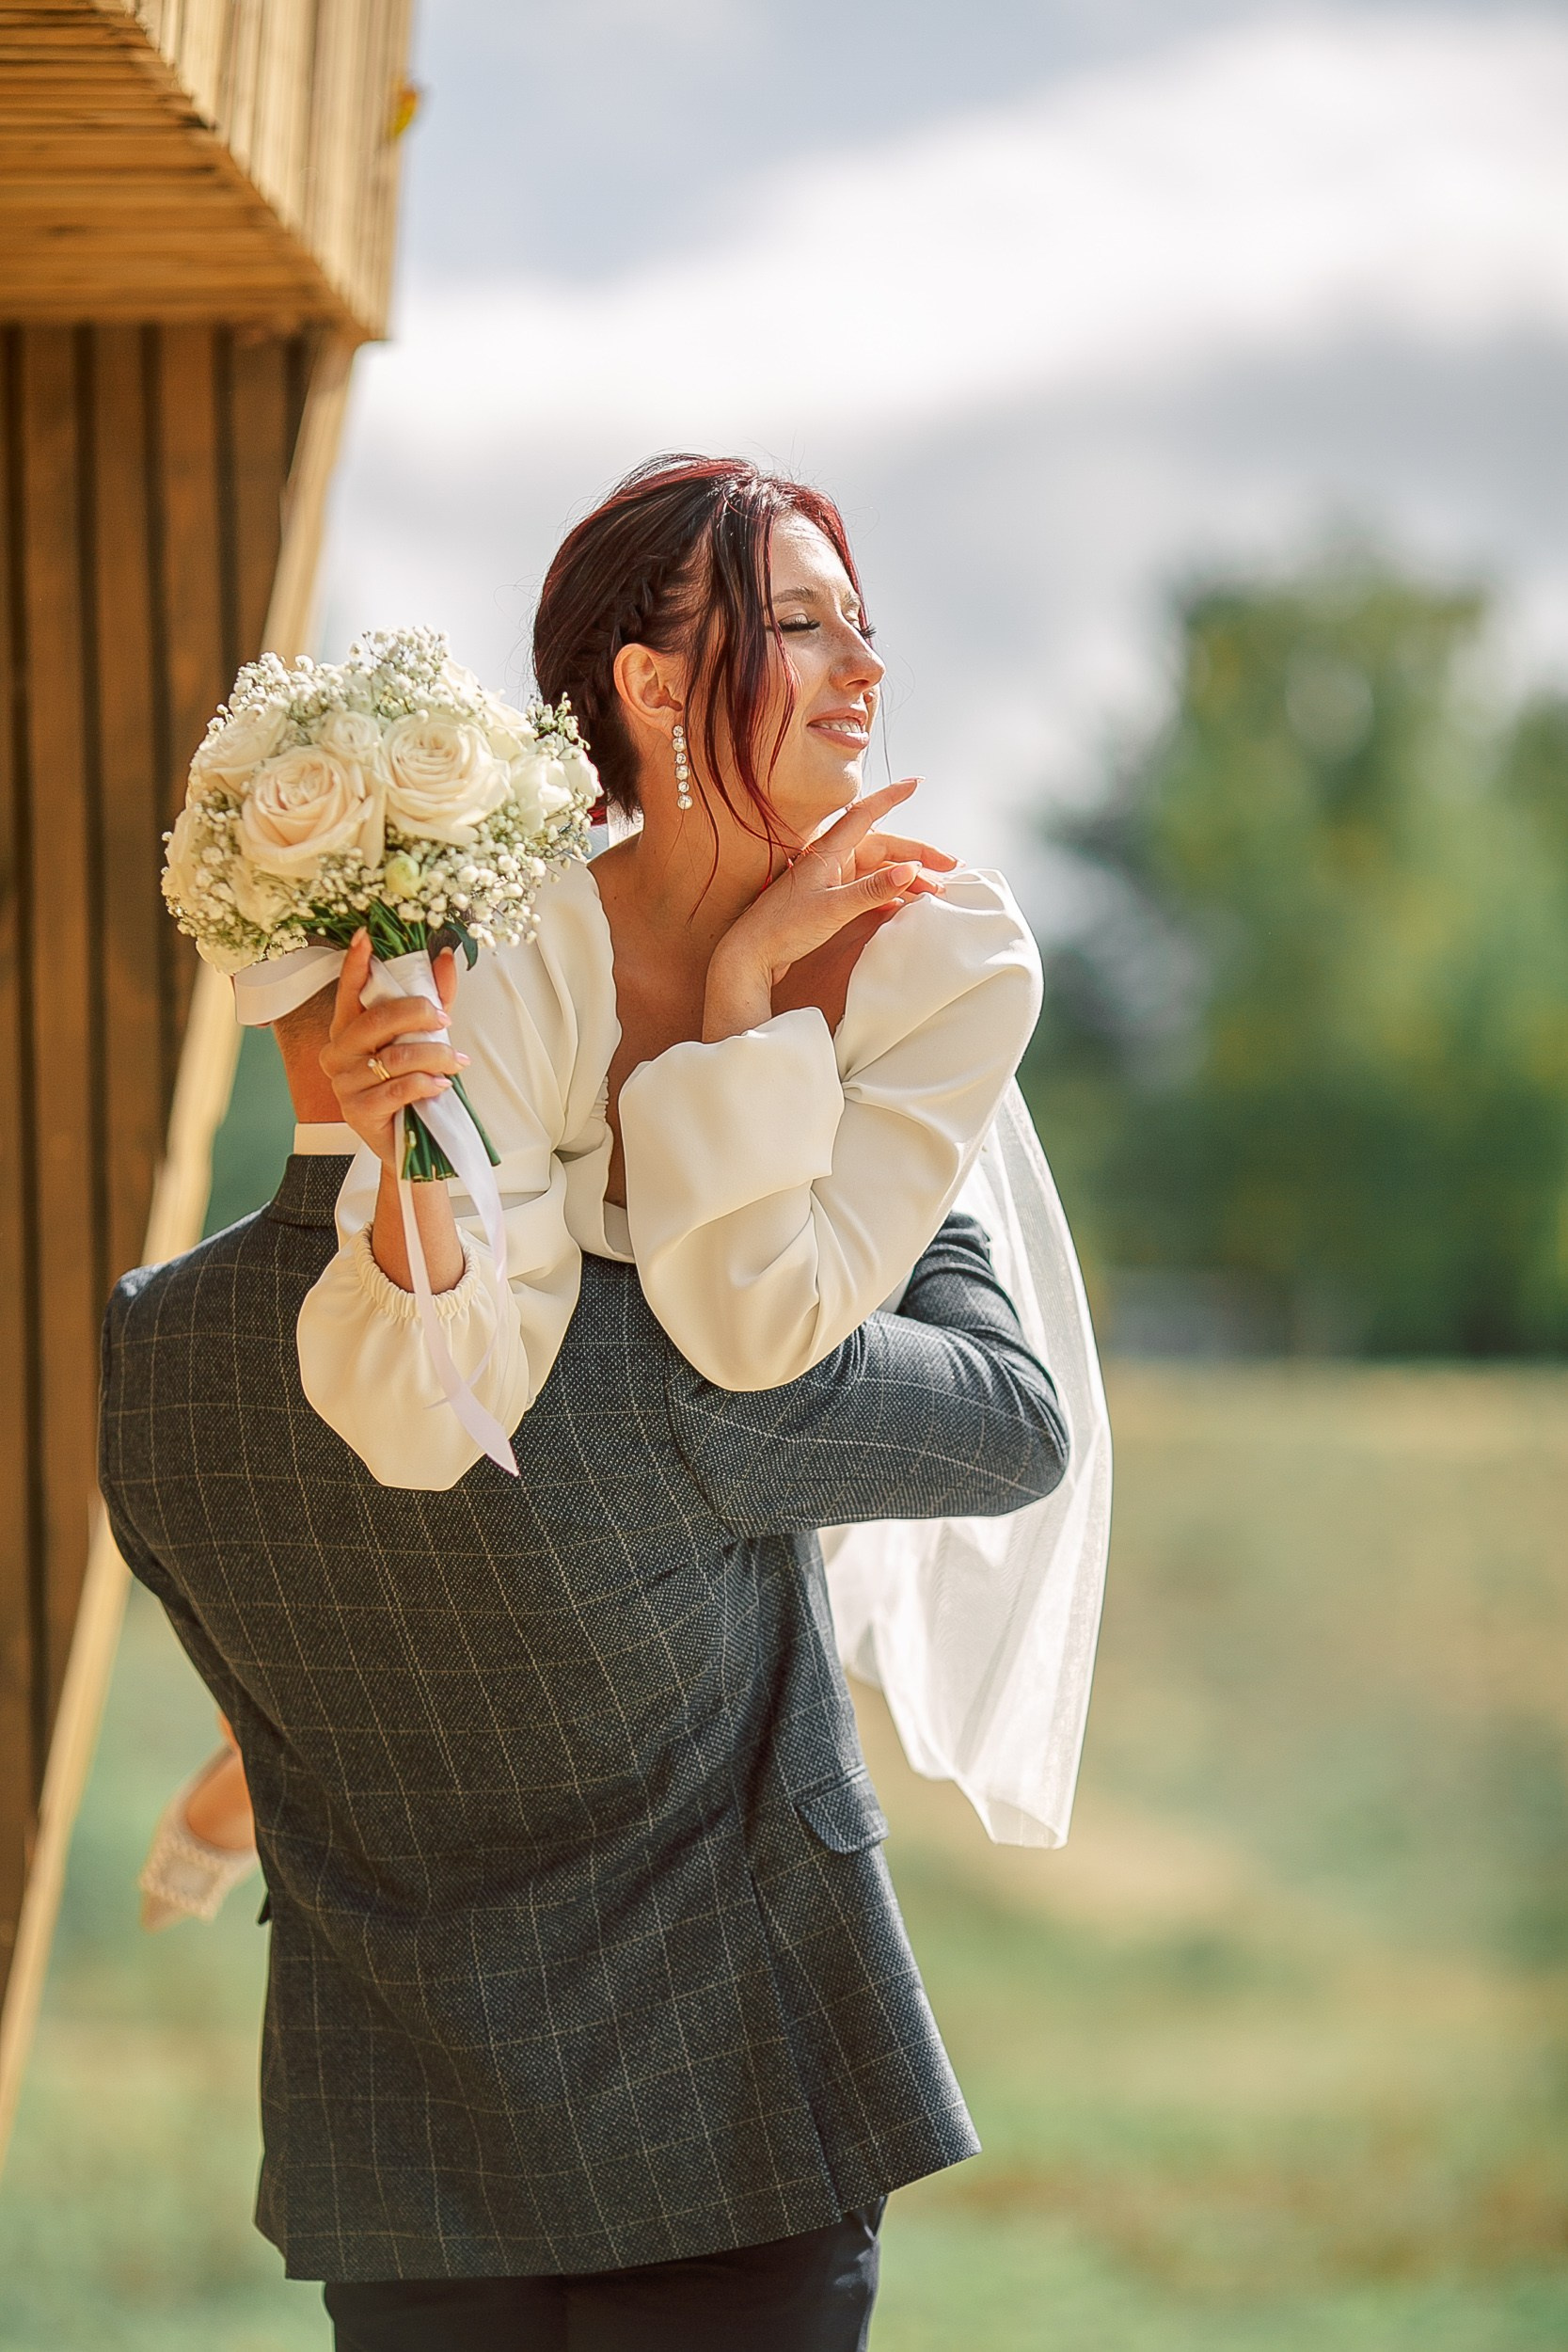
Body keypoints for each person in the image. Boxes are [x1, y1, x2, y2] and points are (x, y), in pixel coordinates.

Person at [141, 453, 1096, 1916]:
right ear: (654, 691)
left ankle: (268, 1763)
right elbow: (435, 1407)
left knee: (591, 1459)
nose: (867, 665)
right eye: (802, 626)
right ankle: (265, 1759)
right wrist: (405, 1161)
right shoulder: (523, 948)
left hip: (823, 1317)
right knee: (457, 1441)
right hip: (591, 1393)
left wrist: (739, 991)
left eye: (861, 620)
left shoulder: (951, 954)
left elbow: (758, 1332)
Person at [102, 1006, 1069, 2345]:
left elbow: (277, 1678)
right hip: (729, 2125)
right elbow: (1009, 1421)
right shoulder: (653, 1323)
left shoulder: (153, 1348)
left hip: (398, 2146)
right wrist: (931, 1154)